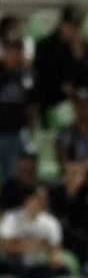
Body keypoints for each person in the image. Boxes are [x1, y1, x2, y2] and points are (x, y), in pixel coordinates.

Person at [32, 5, 88, 120]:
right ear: (62, 24)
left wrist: (79, 57)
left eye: (76, 27)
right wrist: (63, 85)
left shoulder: (83, 45)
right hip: (53, 91)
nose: (73, 30)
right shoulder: (45, 45)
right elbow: (40, 72)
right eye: (70, 25)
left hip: (78, 92)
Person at [0, 185, 67, 278]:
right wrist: (40, 244)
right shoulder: (11, 217)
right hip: (12, 265)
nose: (43, 202)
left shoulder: (51, 222)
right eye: (38, 198)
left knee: (62, 272)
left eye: (44, 199)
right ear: (27, 200)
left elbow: (55, 252)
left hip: (38, 267)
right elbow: (4, 245)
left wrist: (19, 243)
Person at [0, 38, 33, 183]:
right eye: (11, 52)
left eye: (18, 52)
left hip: (17, 133)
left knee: (14, 177)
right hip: (2, 131)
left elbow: (32, 102)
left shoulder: (24, 76)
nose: (15, 56)